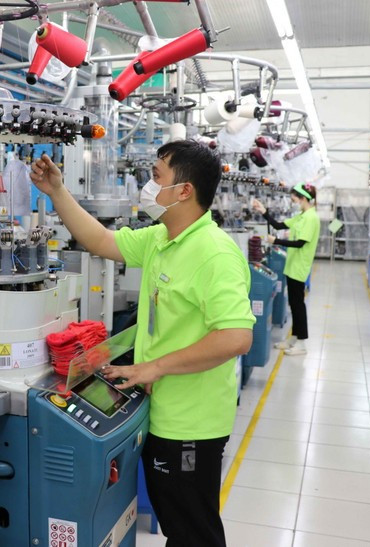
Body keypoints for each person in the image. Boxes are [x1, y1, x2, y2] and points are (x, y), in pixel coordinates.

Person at [30, 140, 254, 547]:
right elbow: (101, 241)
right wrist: (57, 192)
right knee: (180, 526)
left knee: (194, 532)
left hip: (192, 422)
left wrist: (153, 367)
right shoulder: (161, 238)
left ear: (184, 190)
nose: (147, 186)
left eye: (155, 177)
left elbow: (236, 337)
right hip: (164, 411)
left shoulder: (214, 253)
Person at [251, 183, 320, 356]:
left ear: (303, 198)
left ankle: (301, 343)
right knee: (294, 304)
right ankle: (293, 339)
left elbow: (300, 243)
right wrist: (263, 211)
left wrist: (276, 241)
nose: (294, 203)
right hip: (293, 265)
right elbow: (279, 225)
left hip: (299, 267)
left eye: (295, 199)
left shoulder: (311, 218)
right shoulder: (302, 216)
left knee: (298, 305)